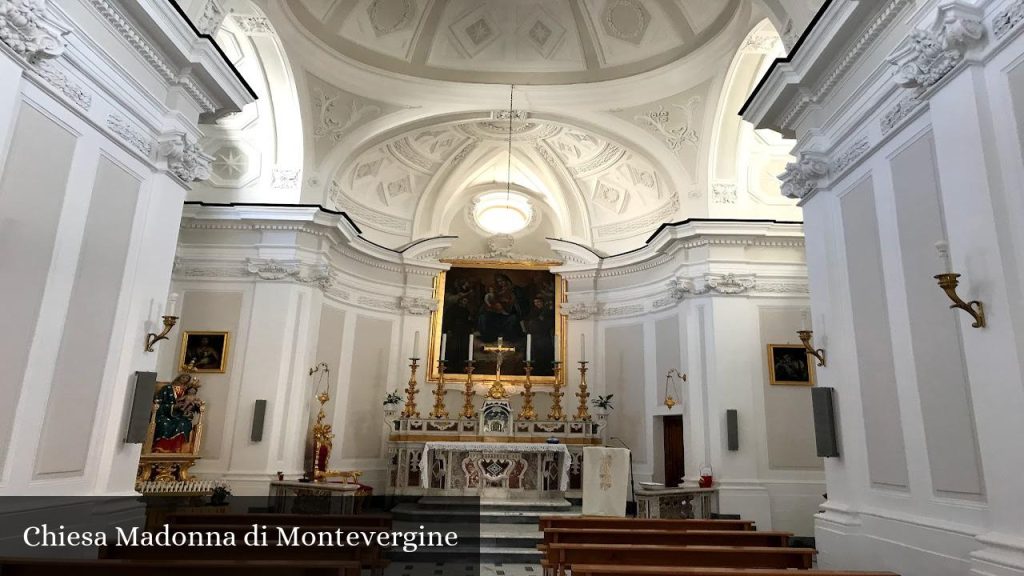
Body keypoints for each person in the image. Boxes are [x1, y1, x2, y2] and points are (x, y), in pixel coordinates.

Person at [152, 373, 202, 453]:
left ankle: (177, 449)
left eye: (187, 378)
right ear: (178, 377)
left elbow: (191, 408)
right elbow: (158, 405)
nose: (184, 379)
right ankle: (159, 448)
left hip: (180, 416)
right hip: (164, 415)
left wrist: (189, 413)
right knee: (164, 423)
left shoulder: (186, 392)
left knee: (183, 423)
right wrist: (173, 407)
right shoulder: (167, 388)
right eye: (183, 377)